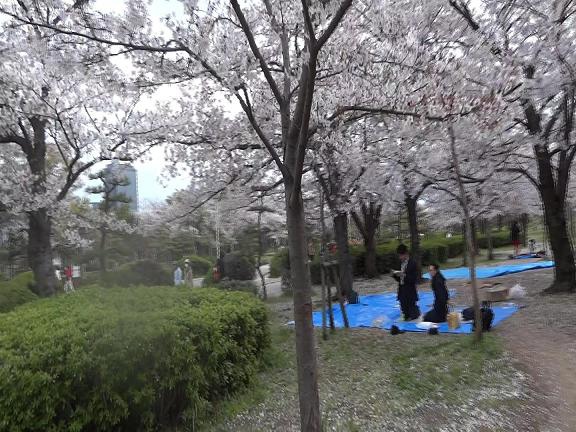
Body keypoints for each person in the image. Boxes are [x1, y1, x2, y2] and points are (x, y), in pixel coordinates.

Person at [393, 244, 420, 321]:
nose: (400, 258)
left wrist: (404, 275)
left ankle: (415, 310)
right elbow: (398, 279)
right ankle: (407, 310)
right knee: (405, 314)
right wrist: (394, 275)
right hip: (402, 288)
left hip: (410, 289)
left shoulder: (412, 263)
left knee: (413, 315)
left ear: (406, 254)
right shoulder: (400, 263)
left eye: (401, 255)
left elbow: (414, 279)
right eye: (399, 256)